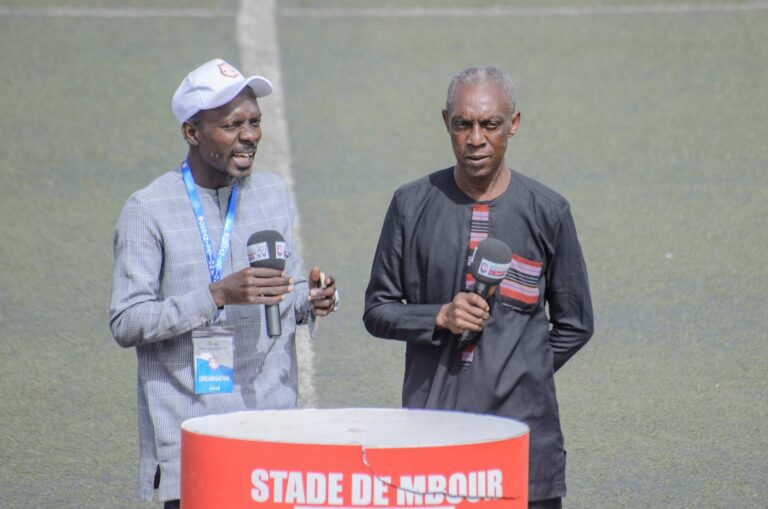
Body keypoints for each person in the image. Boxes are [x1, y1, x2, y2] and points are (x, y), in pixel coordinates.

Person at [109, 58, 338, 508]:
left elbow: (282, 290)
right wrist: (215, 296)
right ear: (192, 132)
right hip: (193, 438)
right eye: (232, 125)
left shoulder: (273, 194)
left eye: (255, 122)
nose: (249, 135)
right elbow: (127, 321)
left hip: (272, 429)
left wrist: (310, 298)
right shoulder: (148, 210)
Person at [363, 66, 593, 509]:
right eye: (462, 124)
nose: (475, 139)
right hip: (433, 429)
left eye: (490, 124)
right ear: (445, 122)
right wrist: (439, 316)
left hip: (524, 436)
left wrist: (520, 371)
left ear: (514, 124)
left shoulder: (548, 211)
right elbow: (378, 309)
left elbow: (575, 324)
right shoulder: (410, 205)